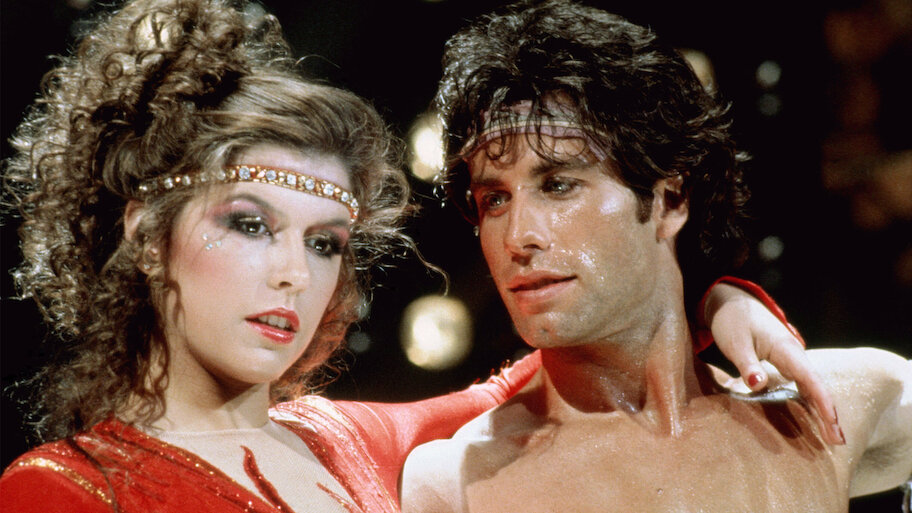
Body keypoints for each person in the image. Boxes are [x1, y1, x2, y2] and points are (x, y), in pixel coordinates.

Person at [0, 0, 846, 511]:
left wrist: (721, 303)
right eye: (251, 225)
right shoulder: (64, 489)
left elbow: (581, 336)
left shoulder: (344, 440)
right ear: (149, 235)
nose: (295, 272)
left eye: (324, 242)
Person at [400, 1, 912, 511]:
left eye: (558, 185)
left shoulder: (830, 406)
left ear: (670, 200)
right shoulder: (459, 483)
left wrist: (722, 299)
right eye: (495, 200)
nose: (518, 237)